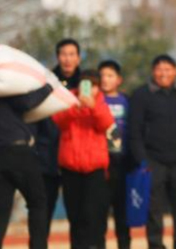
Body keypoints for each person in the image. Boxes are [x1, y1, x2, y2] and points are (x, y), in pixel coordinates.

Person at [0, 85, 53, 249]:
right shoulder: (5, 97)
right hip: (19, 154)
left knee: (0, 211)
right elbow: (29, 103)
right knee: (38, 203)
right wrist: (48, 86)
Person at [128, 55, 176, 249]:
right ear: (152, 72)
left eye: (168, 69)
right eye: (159, 69)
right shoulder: (141, 95)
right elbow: (134, 131)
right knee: (154, 209)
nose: (163, 73)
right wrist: (142, 160)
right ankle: (156, 244)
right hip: (152, 161)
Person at [53, 70, 114, 249]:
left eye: (93, 85)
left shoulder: (101, 102)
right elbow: (58, 121)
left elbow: (106, 123)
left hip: (95, 168)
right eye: (86, 84)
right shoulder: (68, 100)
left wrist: (93, 106)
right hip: (70, 167)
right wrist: (76, 108)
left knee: (93, 214)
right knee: (75, 215)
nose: (89, 89)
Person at [32, 38, 82, 231]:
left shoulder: (86, 83)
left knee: (78, 217)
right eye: (63, 54)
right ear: (57, 57)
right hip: (47, 157)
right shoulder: (46, 83)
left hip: (76, 158)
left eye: (72, 55)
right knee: (42, 215)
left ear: (78, 58)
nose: (67, 59)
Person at [99, 60, 131, 249]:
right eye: (102, 75)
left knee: (122, 213)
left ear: (119, 80)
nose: (105, 80)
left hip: (122, 162)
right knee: (99, 213)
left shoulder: (127, 101)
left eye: (110, 75)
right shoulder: (94, 102)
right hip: (101, 163)